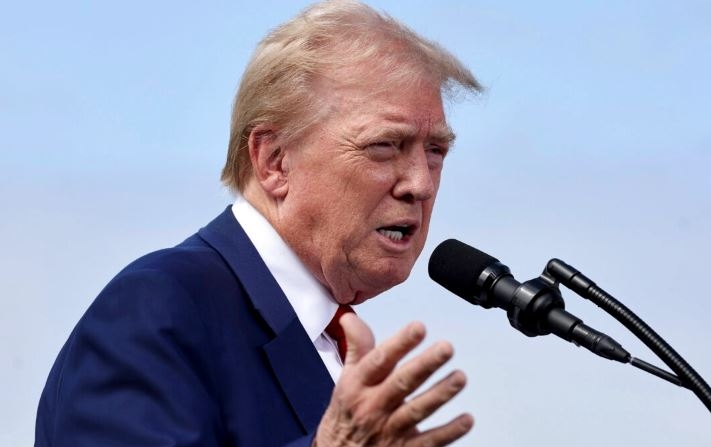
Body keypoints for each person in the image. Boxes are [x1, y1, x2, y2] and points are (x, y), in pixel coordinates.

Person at [35, 1, 482, 446]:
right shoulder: (156, 307)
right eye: (385, 145)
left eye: (435, 152)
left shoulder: (333, 347)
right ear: (274, 162)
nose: (420, 184)